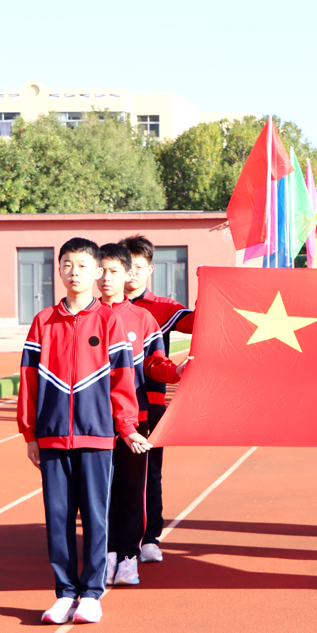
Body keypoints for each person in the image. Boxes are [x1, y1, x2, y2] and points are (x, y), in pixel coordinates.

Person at [17, 237, 150, 625]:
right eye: (67, 265)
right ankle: (64, 593)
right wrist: (30, 434)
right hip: (52, 435)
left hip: (96, 436)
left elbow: (123, 381)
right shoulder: (43, 321)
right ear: (59, 270)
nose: (74, 272)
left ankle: (92, 593)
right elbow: (28, 381)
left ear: (96, 272)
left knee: (95, 517)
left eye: (82, 266)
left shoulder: (110, 321)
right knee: (57, 517)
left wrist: (126, 427)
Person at [97, 243, 188, 586]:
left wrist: (175, 371)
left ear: (128, 274)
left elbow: (154, 363)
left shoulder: (144, 318)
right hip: (93, 418)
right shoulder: (85, 316)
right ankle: (105, 554)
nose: (107, 278)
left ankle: (129, 555)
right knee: (98, 490)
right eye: (102, 271)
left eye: (115, 271)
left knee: (134, 487)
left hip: (137, 416)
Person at [119, 235, 195, 563]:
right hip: (108, 406)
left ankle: (149, 538)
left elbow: (197, 322)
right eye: (127, 267)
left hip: (149, 404)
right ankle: (115, 538)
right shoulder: (102, 307)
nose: (132, 273)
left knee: (150, 474)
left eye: (139, 267)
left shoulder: (163, 308)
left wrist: (213, 291)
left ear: (150, 270)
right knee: (112, 475)